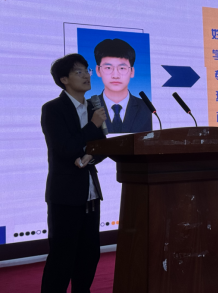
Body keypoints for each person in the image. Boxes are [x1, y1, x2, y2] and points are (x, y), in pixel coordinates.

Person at [40, 54, 107, 293]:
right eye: (79, 72)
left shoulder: (93, 108)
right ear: (64, 79)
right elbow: (64, 147)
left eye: (87, 70)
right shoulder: (53, 109)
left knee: (89, 254)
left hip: (90, 194)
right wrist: (92, 125)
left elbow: (103, 147)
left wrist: (91, 157)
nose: (87, 75)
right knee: (62, 256)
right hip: (65, 195)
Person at [94, 38, 152, 134]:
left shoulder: (148, 109)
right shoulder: (87, 108)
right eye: (108, 68)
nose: (115, 75)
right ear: (98, 70)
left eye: (122, 68)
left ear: (132, 71)